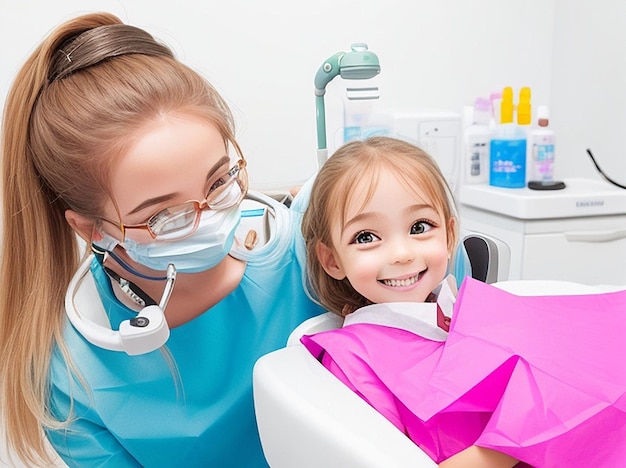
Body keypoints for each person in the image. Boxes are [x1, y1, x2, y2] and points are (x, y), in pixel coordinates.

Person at [0, 12, 323, 467]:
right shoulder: (73, 375)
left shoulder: (326, 243)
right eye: (165, 216)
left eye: (218, 182)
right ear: (92, 228)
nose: (209, 219)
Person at [299, 136, 626, 467]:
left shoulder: (468, 314)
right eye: (366, 237)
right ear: (332, 260)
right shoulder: (351, 363)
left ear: (450, 234)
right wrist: (514, 439)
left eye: (420, 226)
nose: (401, 254)